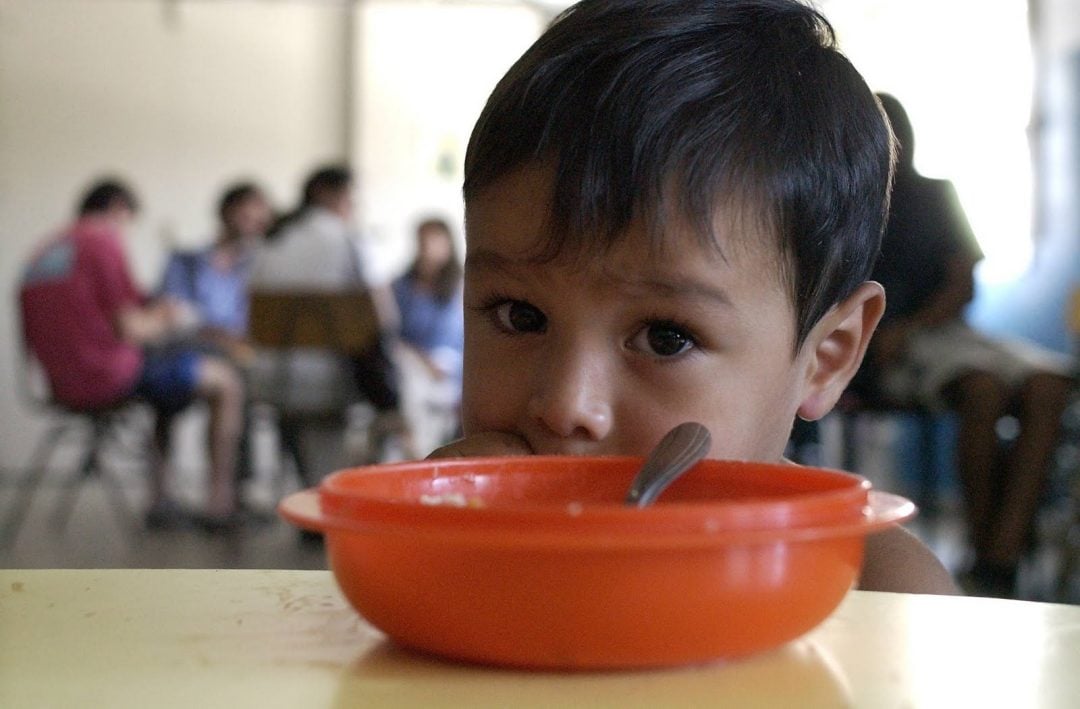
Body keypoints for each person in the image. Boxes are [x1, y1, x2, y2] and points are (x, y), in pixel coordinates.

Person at [427, 0, 958, 595]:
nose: (566, 405)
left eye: (665, 337)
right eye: (520, 316)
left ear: (826, 356)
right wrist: (428, 560)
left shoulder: (874, 592)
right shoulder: (439, 548)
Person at [861, 93, 1075, 597]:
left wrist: (915, 327)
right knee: (982, 390)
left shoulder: (937, 194)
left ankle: (1001, 549)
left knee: (1051, 384)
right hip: (885, 342)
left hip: (940, 334)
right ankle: (996, 558)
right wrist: (894, 334)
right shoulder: (848, 200)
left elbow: (964, 285)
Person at [19, 179, 247, 530]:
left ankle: (161, 498)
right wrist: (170, 316)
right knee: (225, 381)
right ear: (117, 210)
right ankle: (220, 505)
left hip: (59, 382)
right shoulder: (100, 241)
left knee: (169, 384)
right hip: (107, 374)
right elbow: (132, 329)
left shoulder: (47, 249)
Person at [249, 165, 405, 475]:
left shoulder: (272, 241)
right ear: (331, 196)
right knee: (401, 376)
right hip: (329, 382)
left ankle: (308, 490)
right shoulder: (348, 239)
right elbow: (383, 316)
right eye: (351, 198)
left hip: (272, 378)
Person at [158, 181, 273, 364]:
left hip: (243, 356)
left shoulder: (260, 267)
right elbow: (170, 314)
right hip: (191, 354)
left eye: (260, 217)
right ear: (225, 211)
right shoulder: (185, 261)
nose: (254, 219)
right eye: (245, 213)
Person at [392, 217, 465, 456]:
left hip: (453, 364)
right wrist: (425, 360)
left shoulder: (462, 285)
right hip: (412, 361)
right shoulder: (402, 286)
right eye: (422, 240)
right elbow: (393, 335)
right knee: (409, 378)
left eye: (434, 240)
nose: (427, 247)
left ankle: (422, 448)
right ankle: (416, 448)